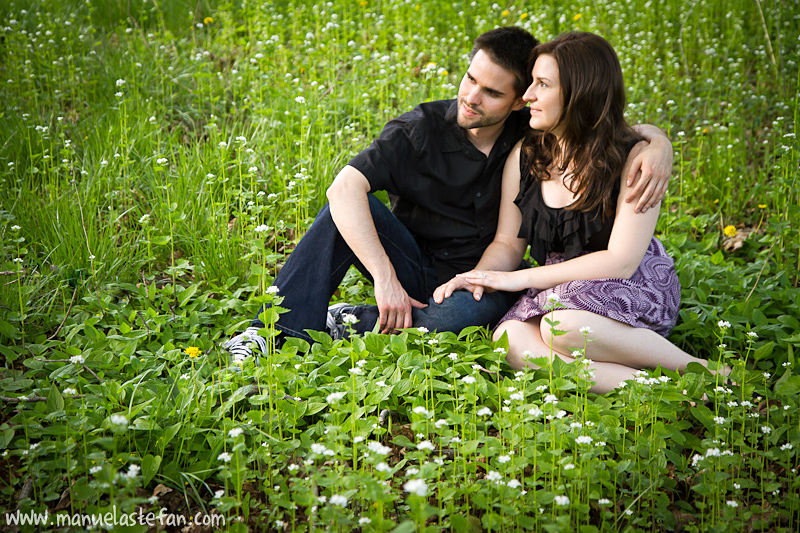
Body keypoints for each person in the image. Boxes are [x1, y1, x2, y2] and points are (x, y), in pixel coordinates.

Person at [224, 27, 673, 359]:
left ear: (518, 102)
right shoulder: (419, 132)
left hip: (481, 281)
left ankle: (347, 320)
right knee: (342, 204)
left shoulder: (533, 129)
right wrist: (385, 277)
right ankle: (271, 330)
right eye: (469, 79)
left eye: (492, 92)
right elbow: (345, 187)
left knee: (453, 322)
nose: (472, 97)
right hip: (411, 266)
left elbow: (600, 127)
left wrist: (658, 144)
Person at [433, 31, 718, 394]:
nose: (527, 96)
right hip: (561, 288)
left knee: (562, 329)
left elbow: (621, 262)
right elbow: (508, 242)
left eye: (542, 85)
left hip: (631, 285)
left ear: (578, 93)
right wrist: (481, 277)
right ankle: (659, 391)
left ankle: (698, 370)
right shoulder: (527, 155)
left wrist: (519, 280)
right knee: (509, 337)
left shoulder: (633, 159)